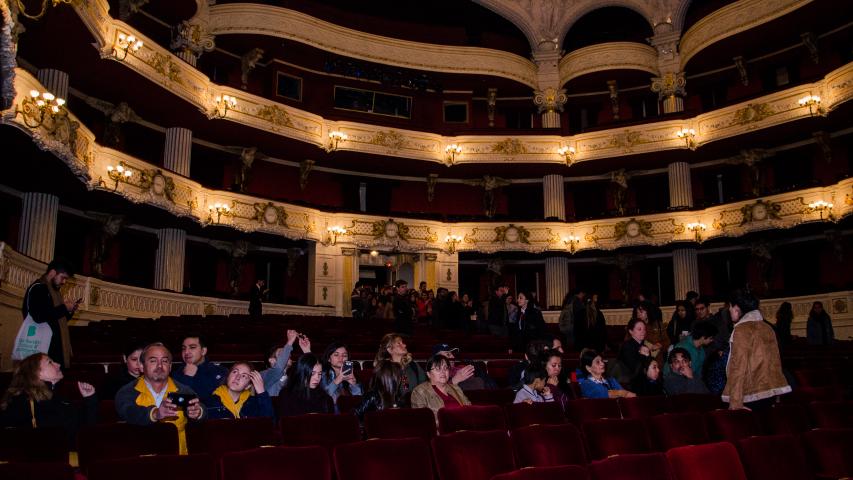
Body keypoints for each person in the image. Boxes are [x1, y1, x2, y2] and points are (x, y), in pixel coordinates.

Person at [115, 343, 204, 455]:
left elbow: (201, 409)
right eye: (153, 361)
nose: (160, 366)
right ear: (142, 366)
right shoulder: (128, 392)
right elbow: (128, 412)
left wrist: (198, 412)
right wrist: (155, 413)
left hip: (178, 460)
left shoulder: (183, 390)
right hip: (140, 461)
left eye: (165, 361)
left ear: (170, 366)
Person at [0, 353, 97, 446]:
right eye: (50, 362)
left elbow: (85, 430)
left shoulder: (57, 397)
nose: (58, 364)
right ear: (37, 373)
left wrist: (90, 399)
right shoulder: (22, 401)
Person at [722, 291, 791, 410]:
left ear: (737, 308)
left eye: (730, 306)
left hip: (749, 394)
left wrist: (735, 402)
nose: (729, 310)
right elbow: (776, 362)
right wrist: (778, 393)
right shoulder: (767, 327)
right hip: (769, 392)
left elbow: (738, 366)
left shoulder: (741, 330)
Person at [21, 259, 80, 367]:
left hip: (54, 351)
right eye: (63, 277)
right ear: (52, 273)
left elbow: (58, 321)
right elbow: (39, 316)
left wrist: (69, 311)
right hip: (41, 351)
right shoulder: (38, 288)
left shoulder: (55, 292)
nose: (64, 282)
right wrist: (64, 308)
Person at [411, 354, 471, 420]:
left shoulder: (456, 388)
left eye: (445, 368)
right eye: (438, 369)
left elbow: (469, 409)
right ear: (428, 374)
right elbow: (423, 420)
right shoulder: (419, 392)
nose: (443, 372)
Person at [171, 336, 227, 404]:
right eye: (183, 348)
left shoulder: (221, 372)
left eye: (192, 347)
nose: (186, 352)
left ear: (203, 351)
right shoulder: (175, 375)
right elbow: (177, 403)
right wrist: (187, 378)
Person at [207, 363, 273, 419]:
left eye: (244, 376)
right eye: (235, 372)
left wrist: (262, 393)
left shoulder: (253, 404)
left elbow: (269, 424)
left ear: (248, 386)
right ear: (228, 377)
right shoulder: (210, 402)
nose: (237, 377)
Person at [374, 333, 426, 398]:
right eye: (399, 344)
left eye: (402, 343)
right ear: (390, 350)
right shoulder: (385, 370)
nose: (404, 345)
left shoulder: (413, 366)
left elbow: (424, 386)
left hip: (416, 405)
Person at [261, 329, 310, 396]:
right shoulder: (264, 375)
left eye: (287, 353)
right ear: (272, 360)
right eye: (282, 353)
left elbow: (313, 373)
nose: (288, 354)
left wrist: (307, 351)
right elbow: (278, 369)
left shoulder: (292, 377)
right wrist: (290, 342)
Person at [615, 318, 650, 387]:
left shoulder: (644, 346)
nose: (643, 332)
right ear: (631, 331)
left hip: (640, 381)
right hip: (628, 383)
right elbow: (634, 370)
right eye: (639, 329)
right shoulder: (627, 346)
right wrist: (643, 355)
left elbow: (647, 368)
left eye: (644, 329)